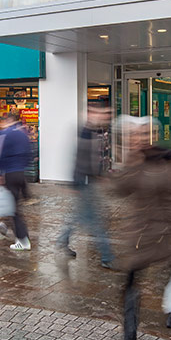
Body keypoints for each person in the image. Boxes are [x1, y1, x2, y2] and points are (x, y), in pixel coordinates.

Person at [110, 116, 171, 340]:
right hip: (139, 235)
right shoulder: (133, 162)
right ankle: (129, 336)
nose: (140, 139)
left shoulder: (163, 162)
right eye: (135, 135)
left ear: (152, 136)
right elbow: (119, 191)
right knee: (130, 283)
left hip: (163, 233)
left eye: (145, 134)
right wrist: (126, 161)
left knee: (169, 276)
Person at [56, 100, 114, 266]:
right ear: (92, 112)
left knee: (78, 216)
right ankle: (107, 257)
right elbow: (78, 159)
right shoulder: (85, 133)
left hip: (90, 181)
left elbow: (94, 158)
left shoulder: (95, 131)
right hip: (83, 182)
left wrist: (101, 175)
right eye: (103, 114)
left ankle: (62, 240)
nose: (106, 117)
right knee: (95, 222)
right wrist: (75, 184)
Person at [0, 110, 33, 251]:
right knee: (11, 203)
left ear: (8, 120)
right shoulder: (23, 134)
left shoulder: (3, 134)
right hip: (20, 173)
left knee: (13, 208)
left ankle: (23, 240)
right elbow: (29, 154)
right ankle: (3, 227)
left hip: (8, 174)